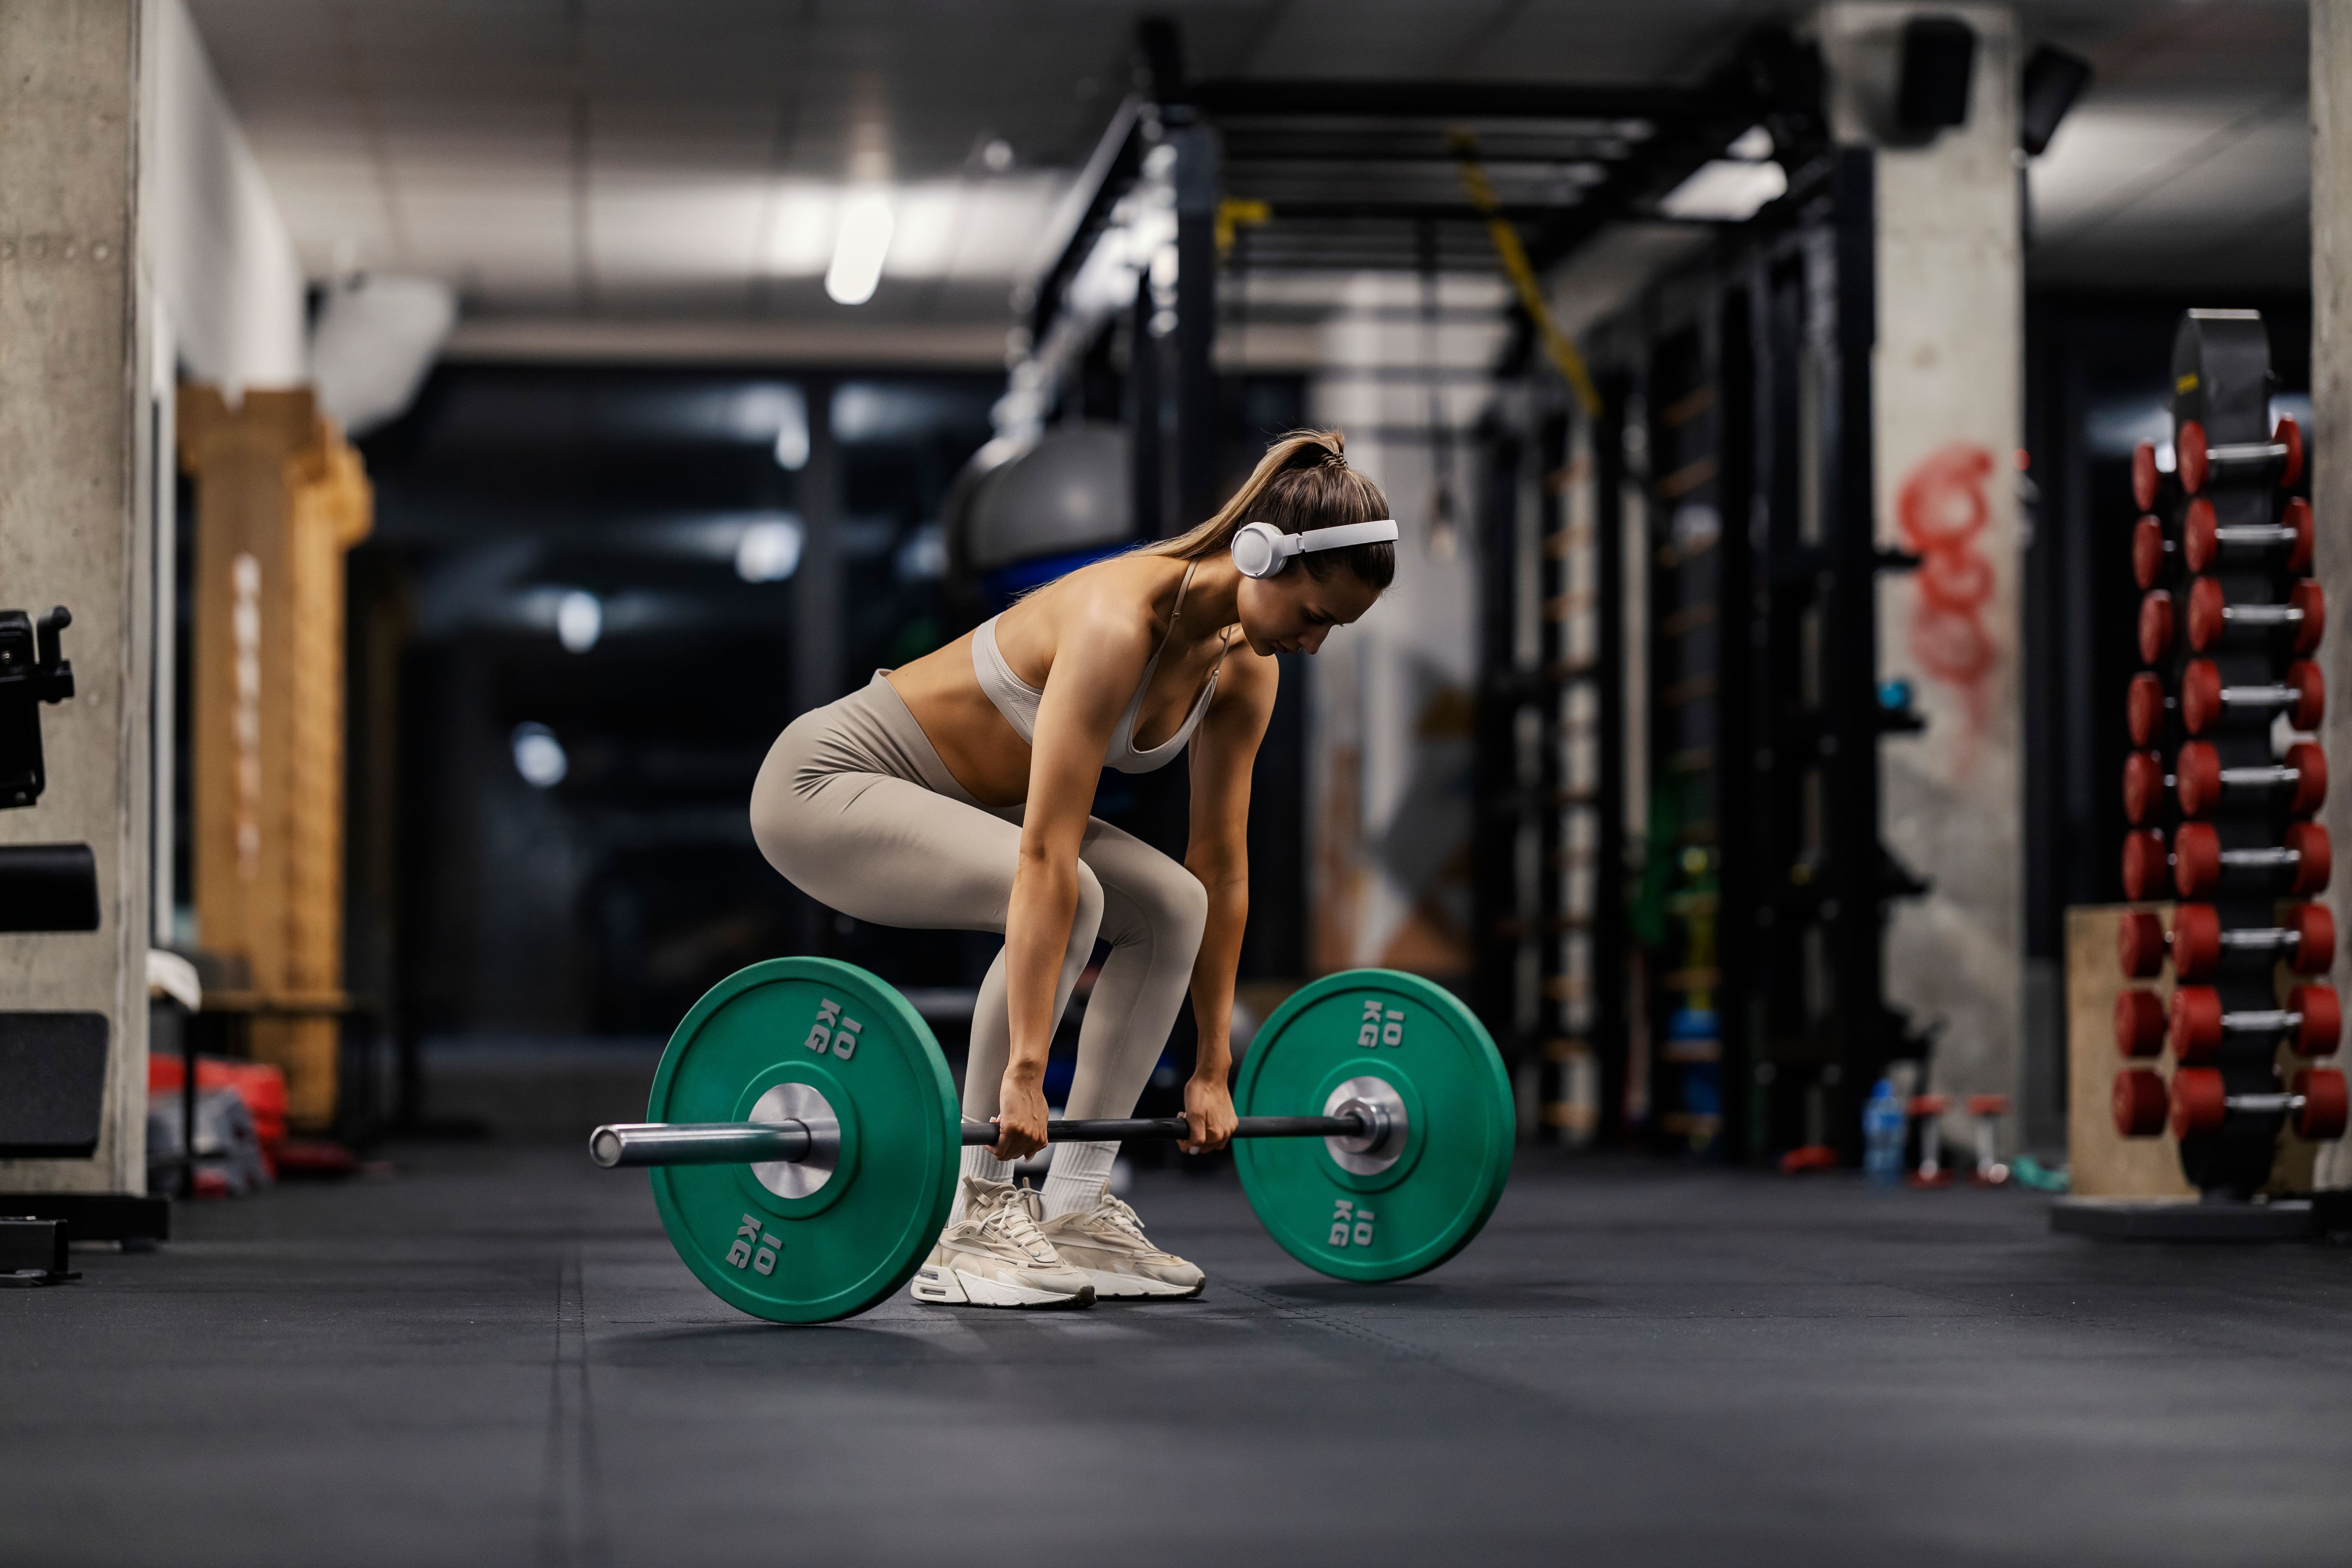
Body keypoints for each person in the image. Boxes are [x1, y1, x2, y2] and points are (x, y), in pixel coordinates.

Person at [749, 430, 1396, 1307]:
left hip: (975, 808)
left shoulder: (1245, 667)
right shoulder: (1115, 620)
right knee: (1080, 893)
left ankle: (1076, 1207)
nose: (1316, 644)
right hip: (827, 786)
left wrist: (1213, 1065)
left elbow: (1221, 866)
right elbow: (1048, 855)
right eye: (1316, 617)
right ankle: (971, 1215)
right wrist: (1024, 1074)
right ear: (1261, 553)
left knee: (1174, 903)